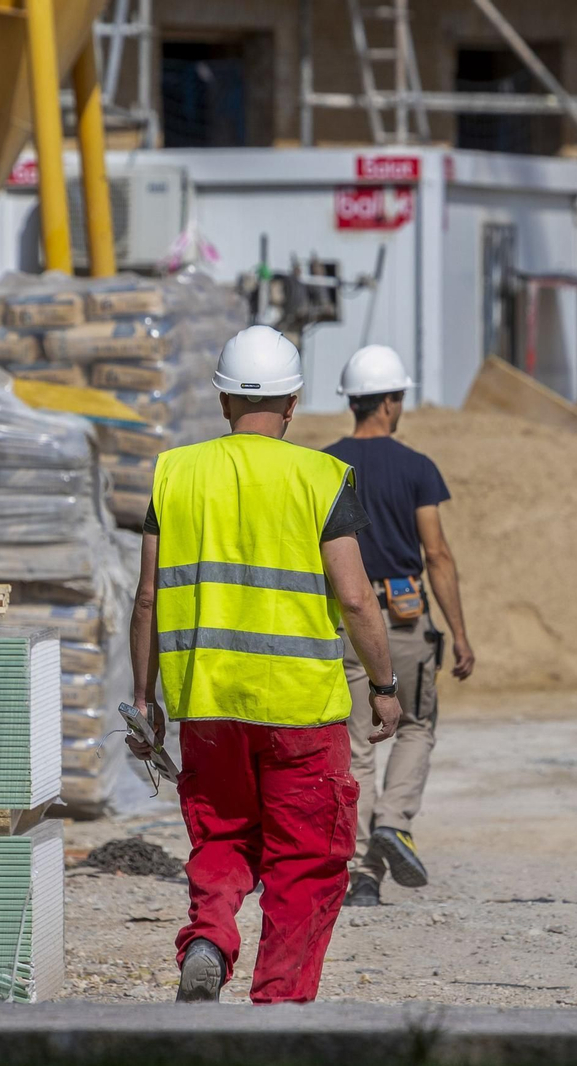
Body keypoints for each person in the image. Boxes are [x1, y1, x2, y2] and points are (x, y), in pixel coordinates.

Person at [126, 325, 402, 1005]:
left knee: (220, 838)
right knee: (306, 861)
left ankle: (208, 939)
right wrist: (387, 686)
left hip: (208, 705)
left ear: (223, 401)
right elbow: (356, 597)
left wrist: (144, 696)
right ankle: (277, 1007)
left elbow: (146, 598)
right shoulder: (321, 477)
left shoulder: (176, 473)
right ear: (294, 401)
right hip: (301, 712)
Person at [323, 343, 474, 908]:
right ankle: (394, 821)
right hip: (406, 621)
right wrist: (458, 633)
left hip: (344, 620)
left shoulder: (325, 467)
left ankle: (361, 872)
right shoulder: (417, 468)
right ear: (388, 403)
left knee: (357, 744)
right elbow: (436, 554)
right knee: (414, 726)